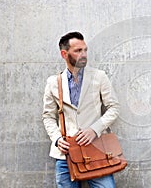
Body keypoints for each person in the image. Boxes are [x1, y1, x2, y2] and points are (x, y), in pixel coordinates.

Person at [42, 31, 120, 188]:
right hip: (66, 154)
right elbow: (48, 116)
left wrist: (94, 129)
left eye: (85, 50)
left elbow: (114, 108)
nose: (84, 54)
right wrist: (57, 139)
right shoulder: (53, 82)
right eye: (78, 51)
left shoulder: (99, 76)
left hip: (97, 149)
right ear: (64, 54)